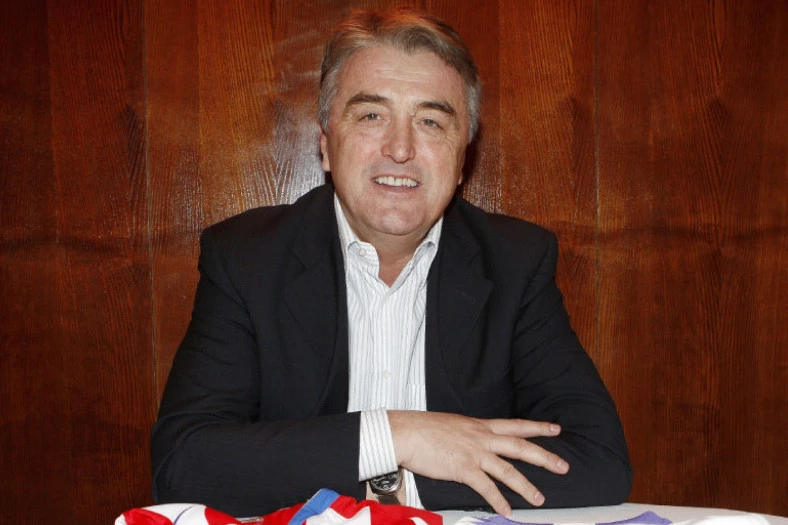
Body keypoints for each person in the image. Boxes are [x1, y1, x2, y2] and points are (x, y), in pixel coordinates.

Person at [151, 8, 632, 519]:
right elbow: (184, 463)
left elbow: (597, 460)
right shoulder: (247, 258)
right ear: (325, 144)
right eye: (371, 116)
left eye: (431, 122)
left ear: (462, 157)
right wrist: (395, 435)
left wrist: (396, 489)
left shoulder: (515, 263)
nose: (400, 149)